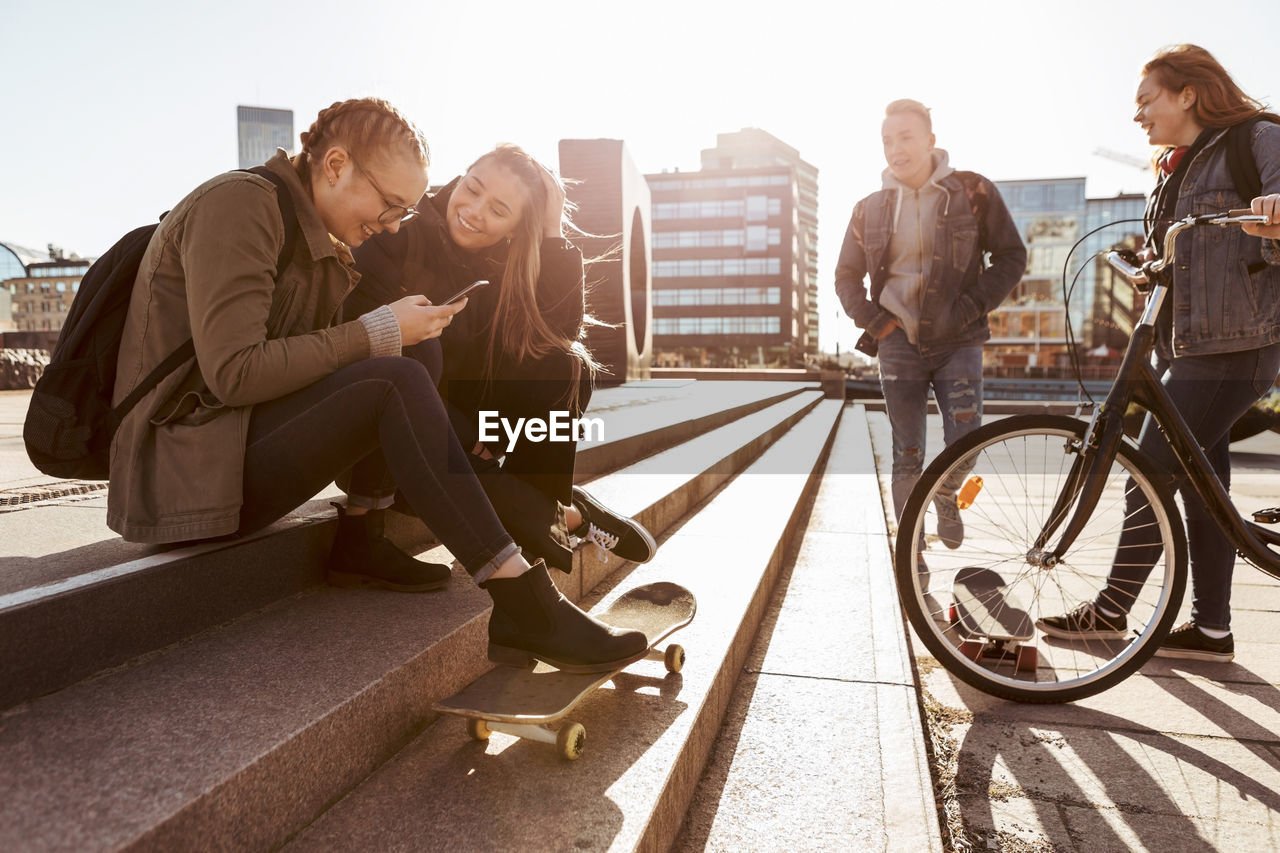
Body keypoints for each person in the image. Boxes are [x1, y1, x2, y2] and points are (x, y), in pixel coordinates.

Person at [107, 97, 647, 674]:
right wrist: (376, 332)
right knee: (397, 371)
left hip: (234, 451)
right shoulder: (241, 204)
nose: (393, 222)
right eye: (391, 205)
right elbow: (236, 372)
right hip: (183, 476)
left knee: (451, 359)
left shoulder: (316, 230)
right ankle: (526, 593)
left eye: (404, 209)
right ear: (335, 165)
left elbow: (551, 341)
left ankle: (514, 531)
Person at [1039, 45, 1280, 661]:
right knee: (1205, 487)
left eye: (1147, 100)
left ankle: (1113, 608)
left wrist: (1275, 215)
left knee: (1148, 473)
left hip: (1239, 343)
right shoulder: (1171, 172)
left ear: (1188, 94)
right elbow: (1184, 256)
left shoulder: (1256, 138)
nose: (1138, 115)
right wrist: (1151, 271)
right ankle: (1212, 631)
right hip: (1188, 344)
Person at [347, 144, 656, 575]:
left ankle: (541, 521)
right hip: (394, 438)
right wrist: (462, 430)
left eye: (498, 210)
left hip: (471, 433)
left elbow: (559, 338)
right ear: (463, 174)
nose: (473, 211)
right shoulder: (400, 235)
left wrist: (552, 230)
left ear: (513, 228)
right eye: (472, 189)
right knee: (422, 353)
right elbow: (371, 357)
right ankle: (564, 516)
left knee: (567, 368)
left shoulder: (506, 262)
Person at [835, 99, 1026, 549]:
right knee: (907, 454)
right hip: (898, 342)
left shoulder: (972, 192)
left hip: (959, 339)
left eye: (905, 137)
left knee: (967, 444)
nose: (895, 149)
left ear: (930, 141)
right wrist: (875, 321)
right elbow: (845, 275)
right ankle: (911, 552)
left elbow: (1012, 257)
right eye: (887, 140)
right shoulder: (870, 209)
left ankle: (944, 493)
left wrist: (966, 308)